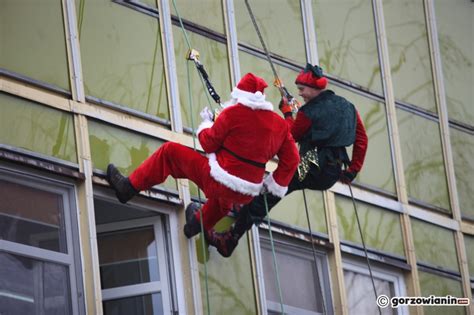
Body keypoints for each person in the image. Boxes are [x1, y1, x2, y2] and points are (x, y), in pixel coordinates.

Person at [105, 73, 299, 239]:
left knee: (170, 152)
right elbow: (292, 160)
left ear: (239, 94)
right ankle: (195, 226)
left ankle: (127, 187)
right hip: (247, 192)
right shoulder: (279, 125)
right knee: (223, 199)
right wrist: (272, 184)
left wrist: (207, 123)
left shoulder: (232, 114)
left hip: (219, 179)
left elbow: (208, 143)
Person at [206, 63, 369, 257]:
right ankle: (247, 203)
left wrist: (288, 114)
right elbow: (361, 139)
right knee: (275, 185)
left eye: (302, 89)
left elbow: (290, 134)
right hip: (332, 170)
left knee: (274, 188)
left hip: (311, 162)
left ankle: (231, 237)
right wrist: (352, 170)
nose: (300, 94)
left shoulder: (308, 113)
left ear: (314, 88)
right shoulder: (348, 107)